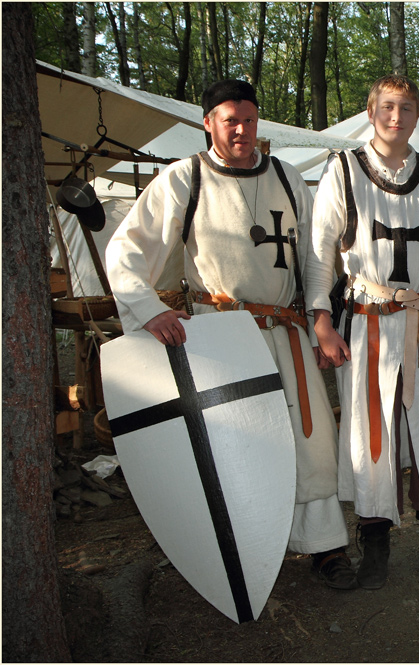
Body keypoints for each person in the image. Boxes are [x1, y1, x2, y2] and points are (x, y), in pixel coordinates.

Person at [106, 80, 355, 590]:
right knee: (236, 442)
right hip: (223, 338)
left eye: (249, 118)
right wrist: (149, 309)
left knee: (311, 441)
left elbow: (314, 259)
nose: (241, 129)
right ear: (208, 122)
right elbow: (127, 250)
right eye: (229, 120)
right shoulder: (184, 178)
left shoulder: (287, 178)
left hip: (285, 331)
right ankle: (244, 546)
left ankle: (324, 546)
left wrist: (319, 318)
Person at [306, 75, 419, 590]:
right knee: (371, 433)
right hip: (369, 324)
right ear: (371, 111)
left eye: (405, 108)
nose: (396, 116)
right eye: (387, 107)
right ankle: (374, 539)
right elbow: (320, 253)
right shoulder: (344, 170)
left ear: (417, 116)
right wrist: (321, 318)